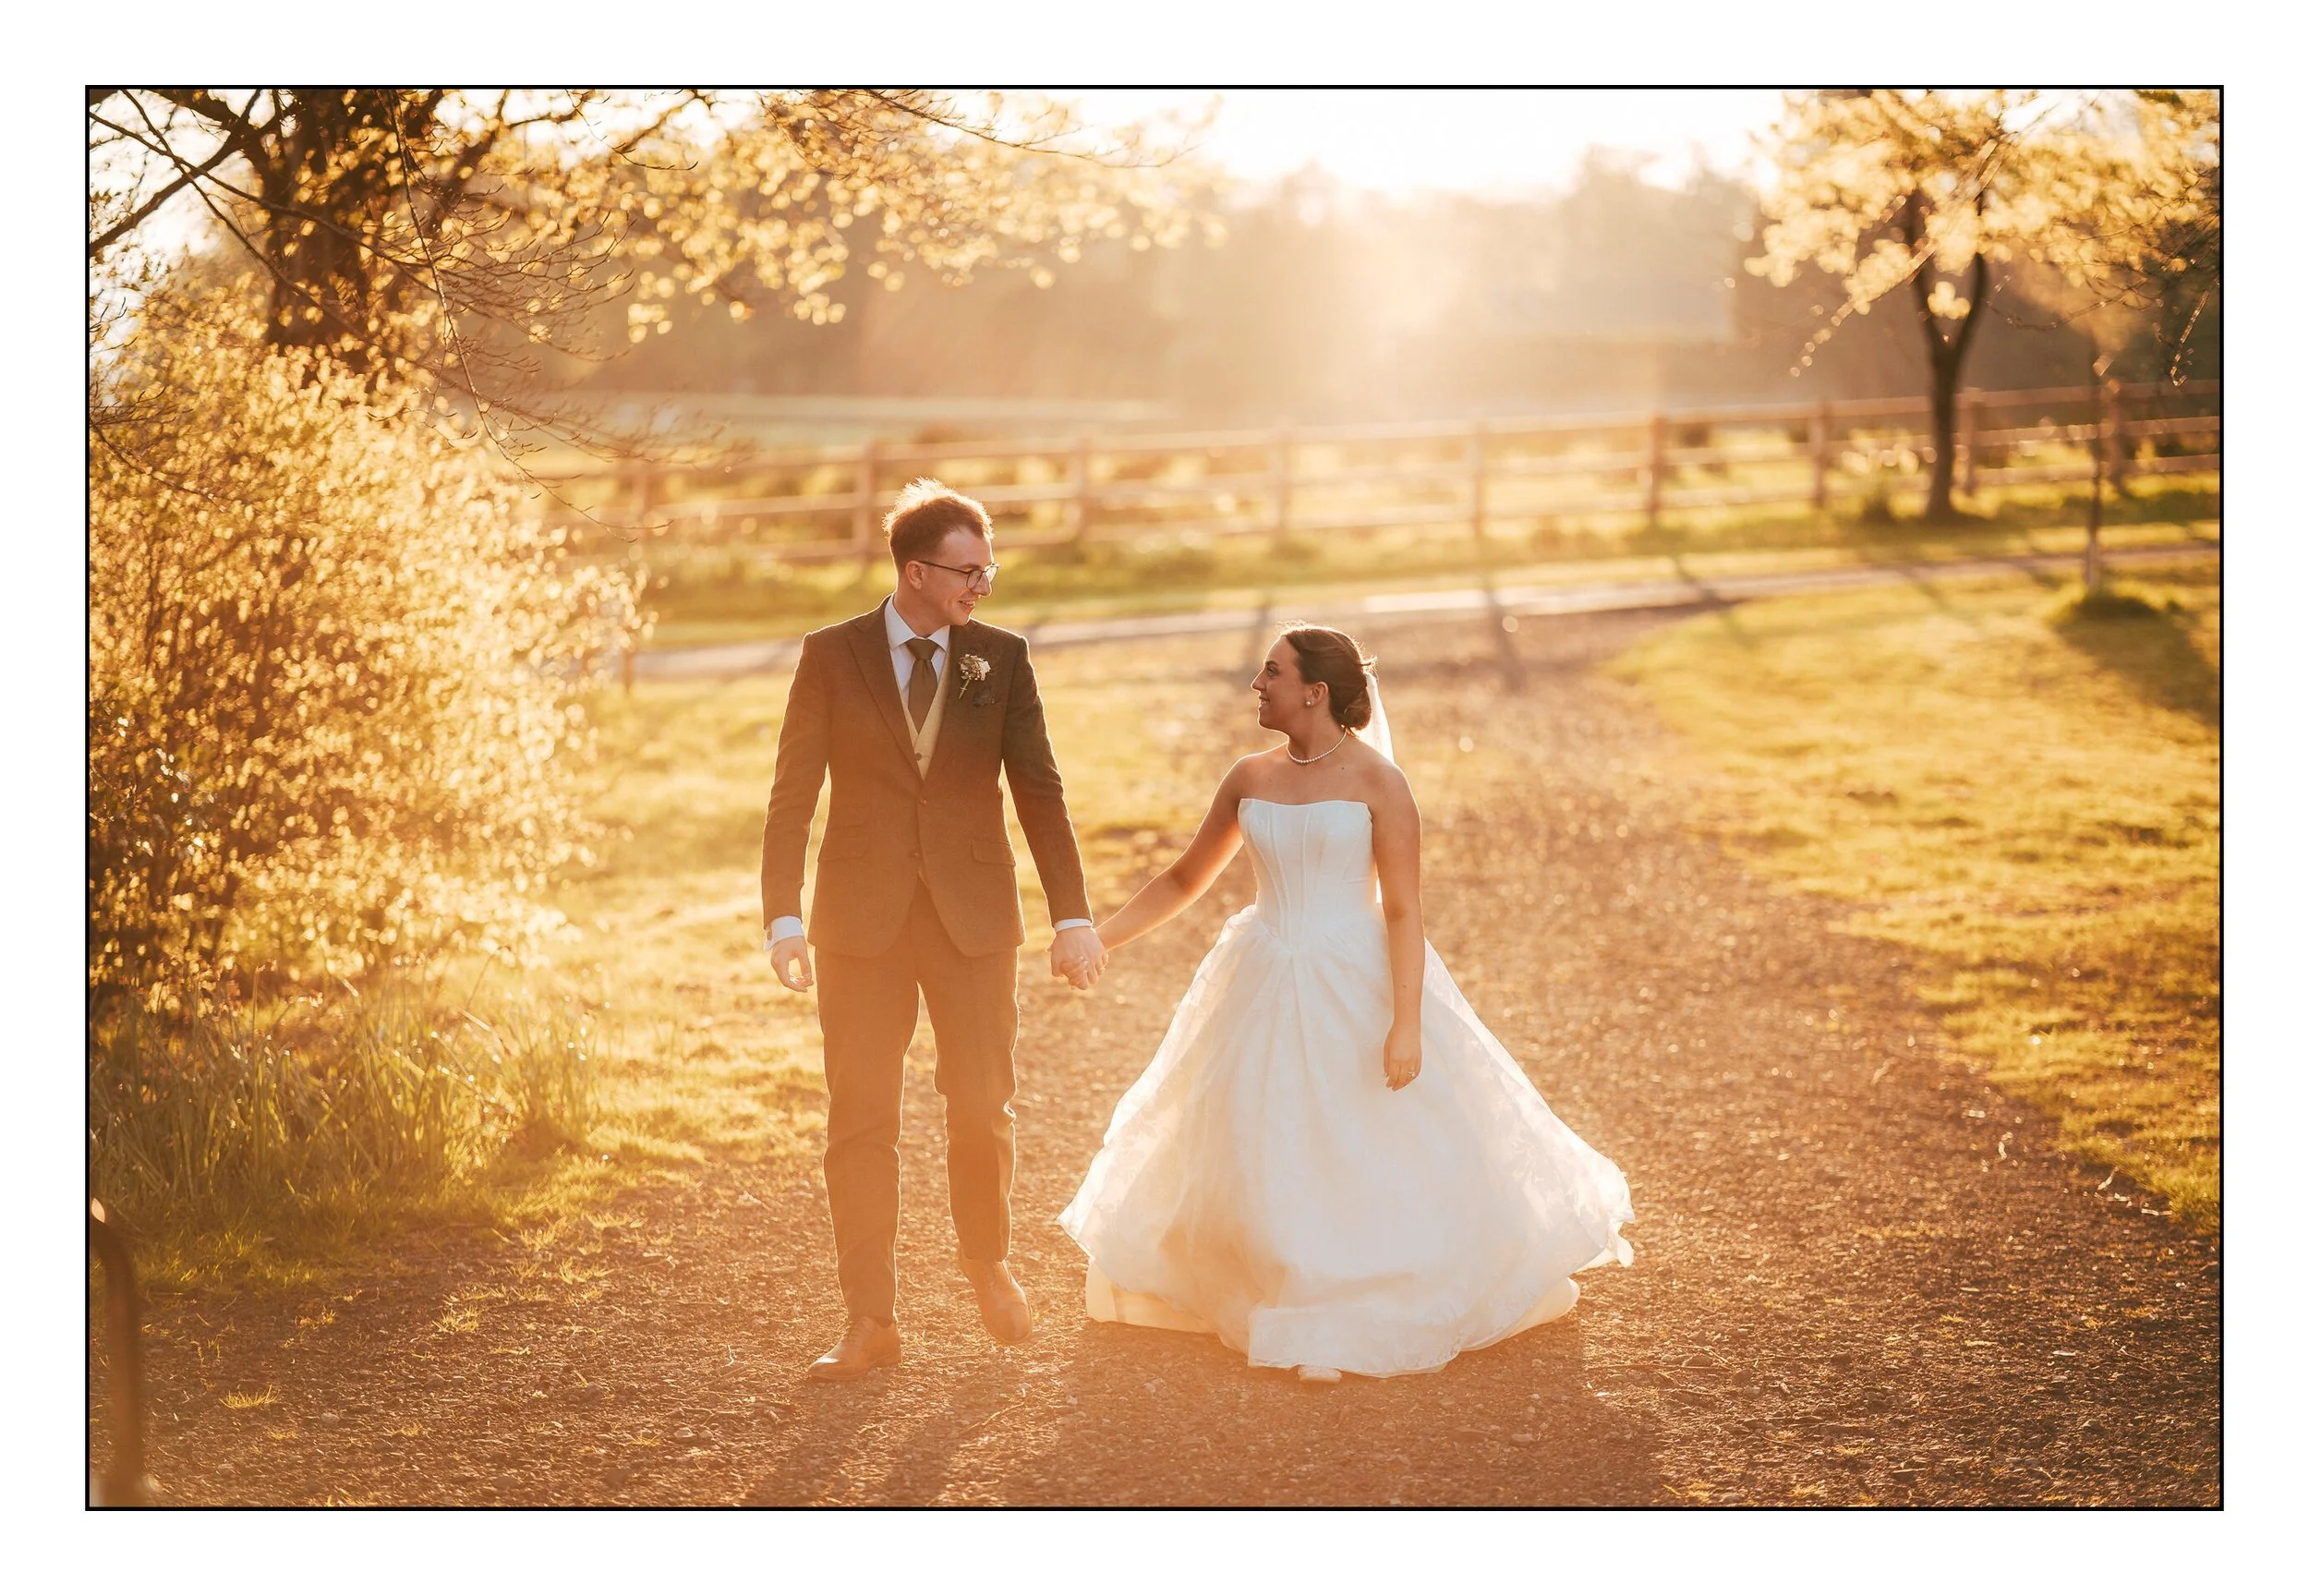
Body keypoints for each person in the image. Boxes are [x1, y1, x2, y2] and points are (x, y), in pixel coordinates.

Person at [1058, 625, 1634, 1381]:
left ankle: (1340, 1300)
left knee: (1354, 1131)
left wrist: (1405, 1024)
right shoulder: (1248, 777)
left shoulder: (1378, 784)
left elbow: (1402, 911)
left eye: (1272, 673)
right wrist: (1101, 938)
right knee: (1259, 1128)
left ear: (1314, 691)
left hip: (1351, 975)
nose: (1257, 685)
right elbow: (1180, 880)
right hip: (1261, 968)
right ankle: (1273, 1278)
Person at [761, 478, 1106, 1383]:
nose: (981, 589)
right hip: (857, 927)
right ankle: (868, 1319)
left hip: (974, 922)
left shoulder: (1002, 658)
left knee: (981, 1102)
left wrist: (1071, 915)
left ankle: (985, 1262)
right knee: (860, 1121)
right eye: (969, 572)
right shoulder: (830, 657)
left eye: (989, 572)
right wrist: (783, 917)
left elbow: (1040, 790)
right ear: (915, 572)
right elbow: (793, 793)